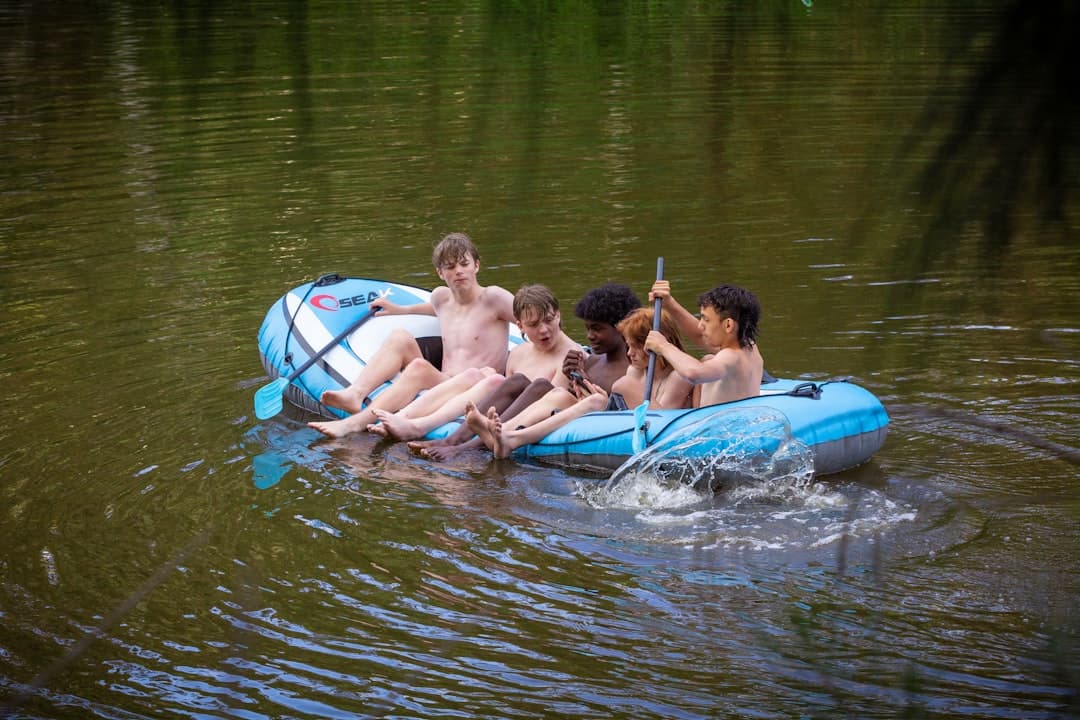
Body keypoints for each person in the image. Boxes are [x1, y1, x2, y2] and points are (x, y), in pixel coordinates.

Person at [308, 232, 515, 438]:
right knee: (400, 337)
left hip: (478, 384)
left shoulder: (494, 298)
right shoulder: (441, 298)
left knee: (418, 367)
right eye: (450, 267)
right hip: (443, 380)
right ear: (440, 273)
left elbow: (532, 317)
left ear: (476, 266)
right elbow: (433, 308)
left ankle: (353, 424)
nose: (459, 271)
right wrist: (400, 310)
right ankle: (356, 393)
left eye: (464, 264)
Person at [408, 283, 641, 460]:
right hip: (559, 409)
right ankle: (452, 440)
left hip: (583, 421)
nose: (590, 335)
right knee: (519, 380)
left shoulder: (636, 368)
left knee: (540, 385)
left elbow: (608, 406)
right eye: (588, 328)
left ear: (622, 327)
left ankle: (464, 448)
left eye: (597, 329)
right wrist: (576, 374)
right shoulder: (590, 361)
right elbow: (573, 394)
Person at [463, 306, 694, 459]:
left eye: (635, 346)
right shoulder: (637, 370)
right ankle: (505, 434)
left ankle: (510, 438)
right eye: (628, 345)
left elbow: (666, 425)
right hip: (619, 422)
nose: (630, 353)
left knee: (599, 398)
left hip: (647, 433)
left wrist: (606, 397)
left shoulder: (677, 377)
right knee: (560, 396)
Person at [364, 284, 581, 442]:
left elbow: (553, 406)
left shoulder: (572, 357)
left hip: (520, 426)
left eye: (549, 320)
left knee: (490, 378)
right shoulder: (518, 353)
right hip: (495, 418)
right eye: (534, 324)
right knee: (478, 375)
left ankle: (418, 426)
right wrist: (401, 310)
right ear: (521, 327)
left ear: (559, 316)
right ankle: (405, 420)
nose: (544, 330)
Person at [645, 281, 764, 406]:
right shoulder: (749, 346)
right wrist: (670, 305)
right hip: (740, 417)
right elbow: (699, 335)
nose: (700, 325)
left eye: (706, 319)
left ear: (728, 325)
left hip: (721, 423)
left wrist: (663, 346)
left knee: (706, 362)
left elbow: (693, 374)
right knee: (708, 359)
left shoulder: (730, 357)